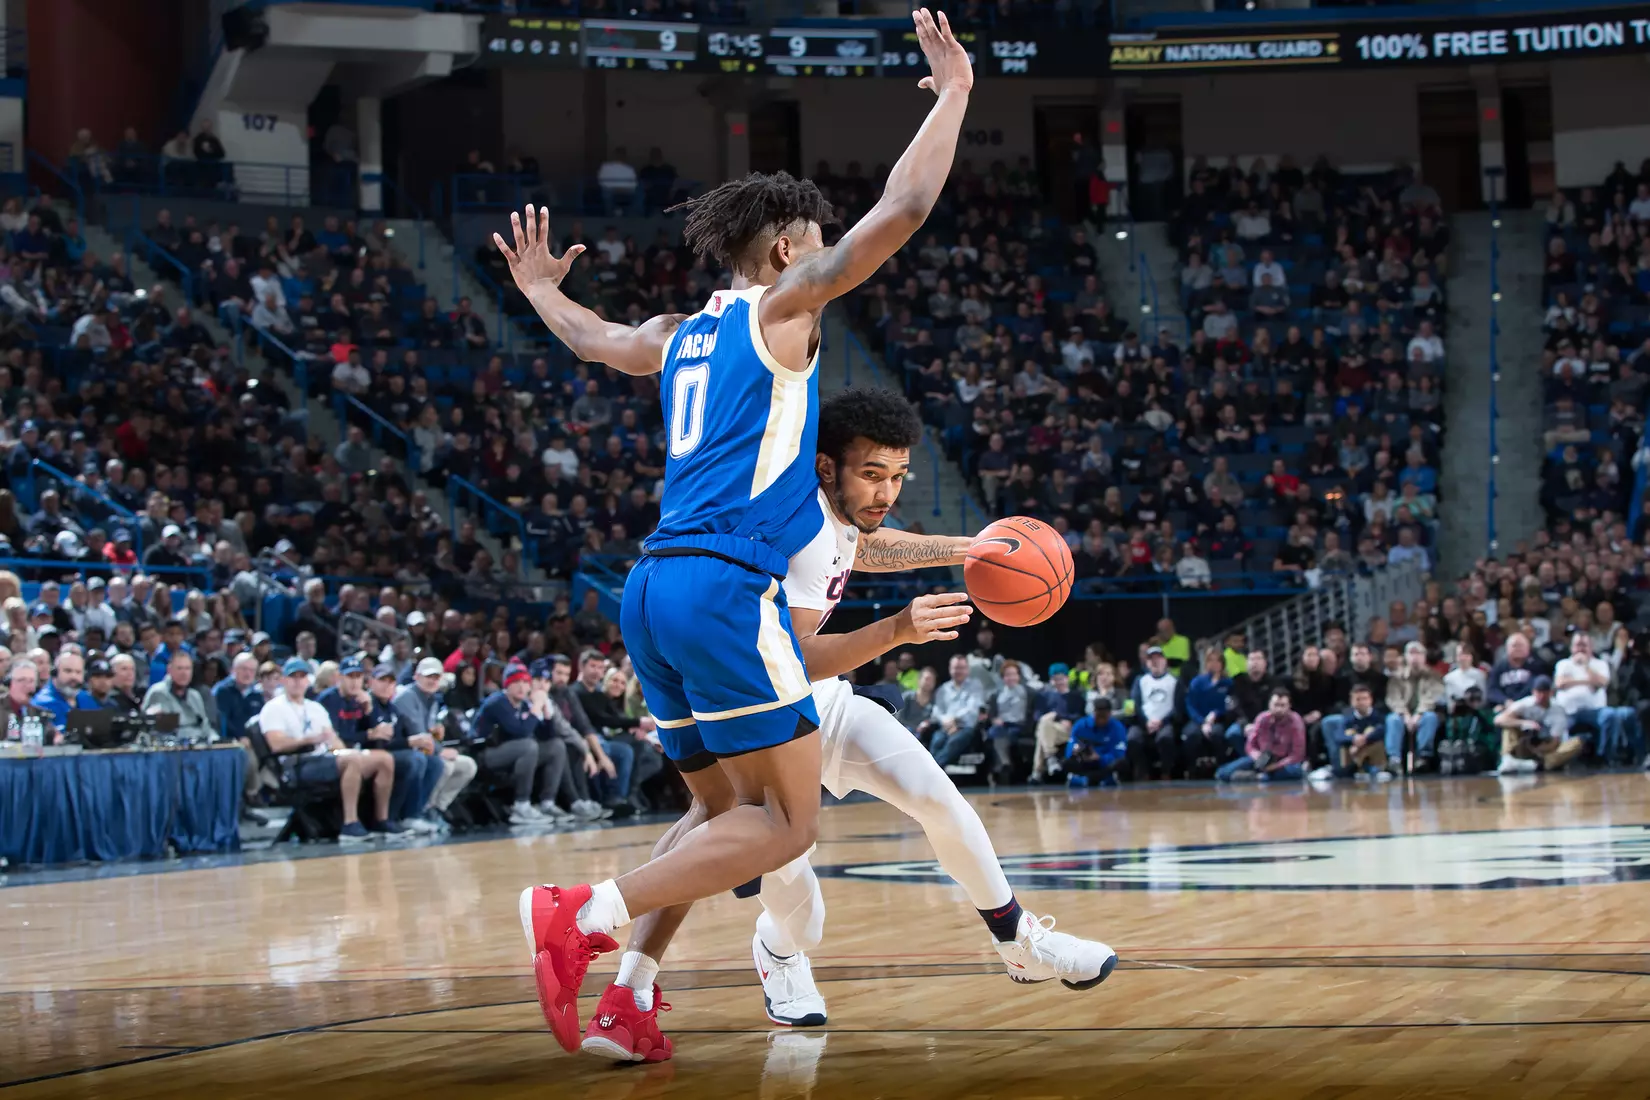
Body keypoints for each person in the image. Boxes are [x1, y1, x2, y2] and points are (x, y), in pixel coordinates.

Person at [513, 12, 973, 1057]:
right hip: (726, 588)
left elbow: (595, 339)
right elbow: (901, 210)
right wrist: (951, 98)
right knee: (787, 825)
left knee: (723, 810)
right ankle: (578, 914)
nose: (824, 263)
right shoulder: (781, 312)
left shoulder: (678, 335)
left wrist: (542, 290)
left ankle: (629, 993)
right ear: (780, 252)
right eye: (812, 248)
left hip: (649, 591)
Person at [578, 386, 1112, 1061]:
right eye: (873, 474)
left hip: (813, 701)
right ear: (827, 467)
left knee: (936, 796)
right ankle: (771, 953)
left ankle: (1019, 942)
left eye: (898, 475)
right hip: (773, 706)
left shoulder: (831, 509)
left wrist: (969, 547)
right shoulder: (796, 520)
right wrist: (897, 628)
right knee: (798, 911)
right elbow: (792, 659)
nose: (887, 491)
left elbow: (867, 545)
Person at [256, 657, 394, 843]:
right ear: (283, 680)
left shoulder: (315, 708)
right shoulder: (274, 708)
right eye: (292, 677)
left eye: (301, 676)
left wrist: (342, 750)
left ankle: (381, 820)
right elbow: (276, 744)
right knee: (351, 761)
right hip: (297, 763)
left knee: (383, 759)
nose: (297, 681)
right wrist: (309, 740)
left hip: (324, 757)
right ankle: (350, 824)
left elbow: (333, 739)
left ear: (308, 680)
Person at [1552, 632, 1641, 763]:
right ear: (1571, 647)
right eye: (1578, 645)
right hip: (1567, 711)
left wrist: (1585, 666)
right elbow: (1560, 683)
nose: (1581, 649)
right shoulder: (1563, 664)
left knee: (1610, 715)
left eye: (1584, 645)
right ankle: (1561, 760)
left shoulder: (1600, 664)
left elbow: (1602, 682)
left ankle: (1604, 757)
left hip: (1594, 710)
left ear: (1591, 647)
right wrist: (1588, 681)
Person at [1493, 675, 1585, 774]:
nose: (1541, 696)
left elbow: (1555, 741)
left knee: (1577, 743)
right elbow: (1498, 720)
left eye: (1544, 692)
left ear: (1551, 693)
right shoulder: (1525, 704)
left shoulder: (1558, 710)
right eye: (1538, 692)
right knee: (1508, 726)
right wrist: (1524, 723)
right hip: (1525, 744)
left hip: (1547, 746)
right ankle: (1507, 759)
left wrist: (1539, 749)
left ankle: (1536, 765)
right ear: (1533, 692)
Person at [1216, 688, 1307, 782]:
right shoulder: (1262, 718)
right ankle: (1260, 776)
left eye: (1283, 705)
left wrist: (1275, 766)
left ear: (1289, 706)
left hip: (1284, 762)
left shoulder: (1296, 721)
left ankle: (1257, 777)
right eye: (1276, 705)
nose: (1279, 709)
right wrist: (1258, 757)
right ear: (1269, 705)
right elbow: (1250, 746)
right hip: (1262, 758)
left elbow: (1297, 755)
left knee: (1296, 772)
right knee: (1223, 774)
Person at [1309, 682, 1391, 781]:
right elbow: (1339, 735)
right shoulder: (1347, 717)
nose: (1361, 702)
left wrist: (1365, 738)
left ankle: (1375, 770)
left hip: (1372, 750)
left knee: (1374, 736)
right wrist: (1353, 739)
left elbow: (1382, 730)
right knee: (1347, 735)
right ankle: (1342, 769)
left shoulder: (1378, 715)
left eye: (1364, 699)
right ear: (1352, 701)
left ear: (1370, 700)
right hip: (1353, 752)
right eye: (1358, 699)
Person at [1384, 640, 1443, 771]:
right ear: (1405, 657)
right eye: (1411, 653)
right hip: (1403, 713)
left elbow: (1432, 697)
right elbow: (1393, 699)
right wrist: (1405, 714)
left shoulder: (1434, 676)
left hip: (1424, 712)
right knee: (1392, 719)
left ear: (1424, 656)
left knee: (1430, 718)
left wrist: (1418, 714)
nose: (1415, 657)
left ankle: (1423, 758)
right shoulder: (1396, 677)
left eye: (1418, 653)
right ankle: (1394, 759)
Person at [141, 649, 214, 742]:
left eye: (187, 668)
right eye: (179, 668)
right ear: (169, 670)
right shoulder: (158, 693)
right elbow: (160, 733)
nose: (184, 673)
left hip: (198, 747)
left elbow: (205, 727)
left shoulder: (194, 696)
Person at [1065, 697, 1127, 787]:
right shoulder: (1080, 725)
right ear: (1093, 713)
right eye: (1098, 716)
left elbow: (1119, 753)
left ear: (1110, 714)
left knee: (1121, 763)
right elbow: (1070, 750)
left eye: (1104, 717)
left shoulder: (1117, 727)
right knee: (1066, 762)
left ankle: (1096, 778)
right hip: (1084, 762)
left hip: (1104, 764)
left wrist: (1100, 758)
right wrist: (1079, 753)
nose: (1101, 720)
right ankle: (1084, 778)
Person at [32, 650, 97, 726]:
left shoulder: (88, 699)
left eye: (78, 672)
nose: (73, 676)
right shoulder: (41, 704)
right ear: (55, 673)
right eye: (68, 671)